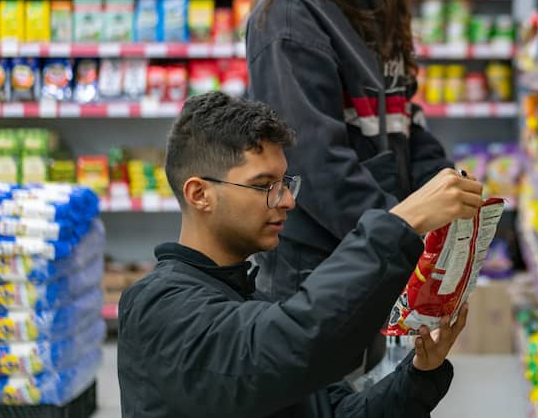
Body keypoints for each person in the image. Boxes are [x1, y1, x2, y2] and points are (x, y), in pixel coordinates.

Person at [117, 92, 484, 418]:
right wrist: (401, 222)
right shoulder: (156, 306)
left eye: (285, 184)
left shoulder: (249, 297)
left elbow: (338, 411)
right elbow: (284, 349)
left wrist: (419, 372)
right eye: (264, 186)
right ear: (199, 195)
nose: (288, 200)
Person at [246, 0, 453, 373]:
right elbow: (316, 162)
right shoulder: (292, 12)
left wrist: (452, 199)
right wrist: (404, 232)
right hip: (316, 267)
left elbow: (406, 125)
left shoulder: (374, 5)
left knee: (364, 394)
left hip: (368, 249)